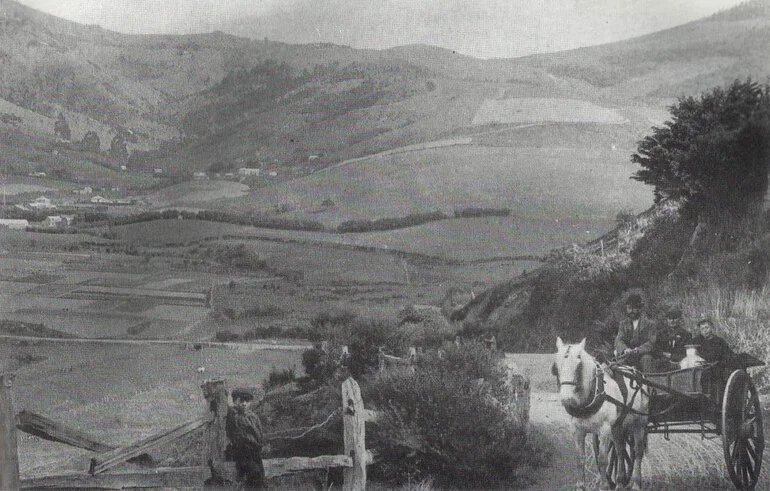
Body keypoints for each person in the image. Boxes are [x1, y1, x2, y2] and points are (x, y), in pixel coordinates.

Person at [226, 388, 266, 489]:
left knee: (259, 479)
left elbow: (259, 434)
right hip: (243, 453)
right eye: (241, 400)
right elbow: (236, 436)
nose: (244, 404)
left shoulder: (253, 417)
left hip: (256, 453)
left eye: (247, 401)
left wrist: (259, 445)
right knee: (251, 478)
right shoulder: (233, 416)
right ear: (235, 401)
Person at [614, 292, 657, 372]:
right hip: (628, 355)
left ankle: (649, 382)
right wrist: (625, 349)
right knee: (617, 365)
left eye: (634, 308)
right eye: (629, 308)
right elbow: (618, 340)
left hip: (643, 355)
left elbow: (651, 342)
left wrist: (638, 350)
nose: (631, 311)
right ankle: (621, 384)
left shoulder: (650, 324)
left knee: (647, 360)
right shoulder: (623, 324)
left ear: (640, 308)